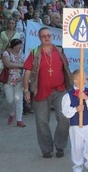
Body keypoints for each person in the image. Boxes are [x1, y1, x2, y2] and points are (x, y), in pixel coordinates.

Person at [23, 27, 71, 158]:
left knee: (64, 118)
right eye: (43, 36)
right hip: (41, 92)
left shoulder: (60, 51)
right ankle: (46, 149)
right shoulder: (34, 53)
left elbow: (66, 69)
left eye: (48, 35)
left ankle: (60, 145)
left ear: (52, 36)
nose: (46, 38)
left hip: (60, 90)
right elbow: (27, 73)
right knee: (42, 121)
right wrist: (26, 90)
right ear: (39, 38)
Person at [62, 69, 88, 172]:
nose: (85, 80)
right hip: (75, 126)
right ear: (75, 80)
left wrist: (86, 99)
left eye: (85, 78)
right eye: (82, 78)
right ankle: (77, 168)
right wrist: (76, 109)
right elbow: (65, 112)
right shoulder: (68, 95)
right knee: (77, 148)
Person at [2, 39, 26, 127]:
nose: (20, 47)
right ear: (14, 46)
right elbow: (8, 64)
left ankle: (19, 120)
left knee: (19, 100)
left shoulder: (22, 54)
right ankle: (11, 113)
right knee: (10, 100)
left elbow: (25, 66)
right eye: (19, 45)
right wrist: (20, 65)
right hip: (8, 80)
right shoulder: (6, 53)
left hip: (19, 80)